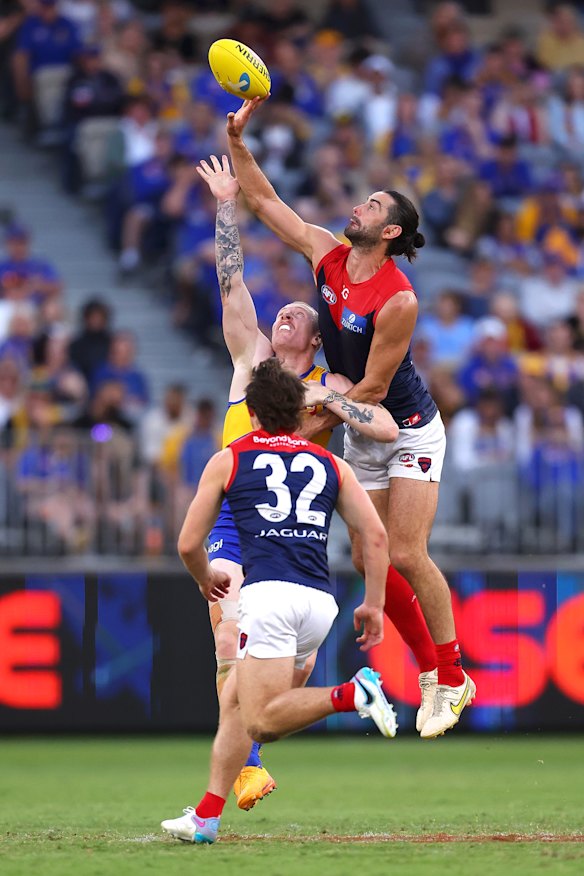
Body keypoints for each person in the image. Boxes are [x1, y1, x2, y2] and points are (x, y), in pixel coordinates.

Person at [227, 98, 476, 739]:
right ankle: (433, 673)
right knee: (376, 554)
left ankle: (451, 675)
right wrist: (238, 143)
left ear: (390, 230)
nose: (358, 207)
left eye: (372, 205)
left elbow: (371, 388)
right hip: (358, 420)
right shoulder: (330, 258)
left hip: (407, 424)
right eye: (362, 201)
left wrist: (313, 404)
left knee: (410, 551)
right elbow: (267, 204)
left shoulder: (398, 298)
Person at [186, 153, 400, 813]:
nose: (282, 318)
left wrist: (339, 403)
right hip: (232, 522)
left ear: (314, 339)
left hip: (292, 540)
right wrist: (227, 204)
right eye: (279, 314)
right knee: (228, 642)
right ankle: (239, 777)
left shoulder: (326, 390)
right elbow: (230, 284)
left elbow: (382, 425)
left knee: (263, 693)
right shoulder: (250, 362)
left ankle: (243, 766)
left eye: (296, 318)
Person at [161, 357, 397, 844]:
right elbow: (375, 536)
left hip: (269, 598)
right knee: (233, 701)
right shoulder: (331, 463)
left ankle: (353, 694)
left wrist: (205, 577)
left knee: (261, 721)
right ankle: (206, 817)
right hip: (320, 603)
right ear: (301, 413)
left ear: (252, 411)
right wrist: (373, 603)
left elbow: (188, 543)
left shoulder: (231, 457)